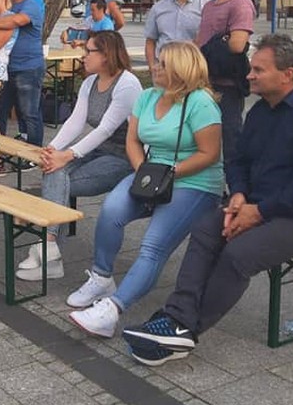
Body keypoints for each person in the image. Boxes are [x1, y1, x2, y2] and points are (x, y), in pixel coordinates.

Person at [122, 35, 293, 365]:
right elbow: (237, 160)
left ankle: (184, 329)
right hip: (258, 204)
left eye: (258, 69)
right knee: (206, 230)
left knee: (239, 253)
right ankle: (176, 316)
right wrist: (240, 195)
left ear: (287, 74)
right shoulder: (260, 112)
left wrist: (258, 211)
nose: (249, 75)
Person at [67, 41, 223, 338]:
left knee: (153, 244)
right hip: (152, 173)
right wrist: (143, 172)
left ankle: (112, 310)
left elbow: (209, 154)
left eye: (162, 63)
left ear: (180, 69)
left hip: (194, 181)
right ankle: (101, 277)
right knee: (111, 211)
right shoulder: (148, 96)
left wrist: (170, 173)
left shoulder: (200, 103)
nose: (154, 66)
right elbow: (133, 140)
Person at [16, 31, 143, 282]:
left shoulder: (127, 84)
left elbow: (106, 129)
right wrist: (52, 149)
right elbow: (75, 121)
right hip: (98, 150)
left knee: (59, 182)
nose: (84, 56)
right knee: (54, 171)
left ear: (106, 55)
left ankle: (49, 247)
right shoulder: (90, 82)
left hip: (124, 157)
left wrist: (68, 154)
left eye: (89, 51)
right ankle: (50, 249)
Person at [196, 0, 255, 175]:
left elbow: (238, 44)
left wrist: (210, 47)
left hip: (227, 86)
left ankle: (236, 186)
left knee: (231, 140)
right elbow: (200, 40)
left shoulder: (240, 3)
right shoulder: (210, 6)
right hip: (204, 82)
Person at [0, 0, 46, 146]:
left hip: (28, 67)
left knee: (29, 112)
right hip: (5, 68)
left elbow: (16, 21)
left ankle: (34, 153)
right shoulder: (8, 5)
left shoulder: (31, 4)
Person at [144, 0, 208, 69]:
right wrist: (152, 67)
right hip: (164, 68)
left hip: (192, 69)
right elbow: (150, 41)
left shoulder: (206, 6)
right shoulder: (158, 8)